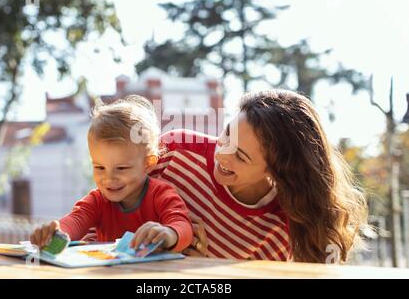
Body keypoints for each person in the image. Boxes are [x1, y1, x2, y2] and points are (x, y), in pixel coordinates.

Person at [150, 89, 368, 263]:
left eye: (241, 156)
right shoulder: (174, 150)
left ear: (275, 171)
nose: (222, 154)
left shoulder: (279, 229)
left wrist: (204, 268)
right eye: (227, 134)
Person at [30, 95, 193, 253]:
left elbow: (182, 225)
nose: (109, 178)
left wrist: (170, 233)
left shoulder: (161, 194)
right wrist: (55, 232)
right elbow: (75, 221)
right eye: (100, 167)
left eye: (121, 168)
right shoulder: (97, 200)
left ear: (148, 163)